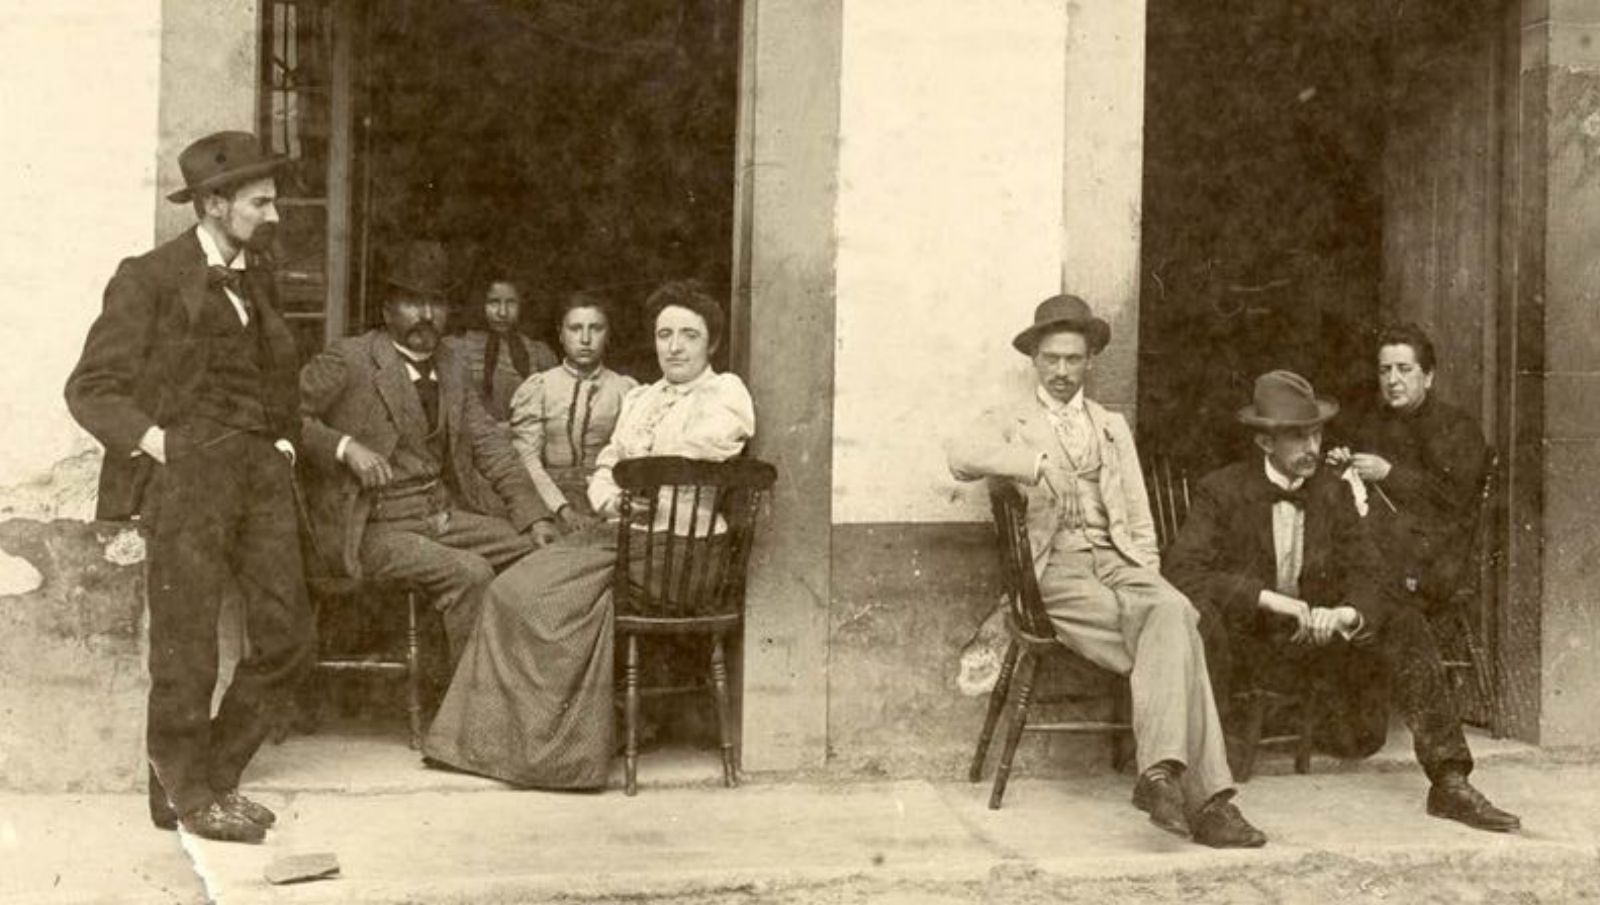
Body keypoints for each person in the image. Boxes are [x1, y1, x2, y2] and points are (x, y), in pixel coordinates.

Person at [946, 294, 1264, 848]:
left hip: (1118, 562)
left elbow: (1138, 519)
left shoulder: (1112, 426)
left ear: (1090, 359)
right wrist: (1037, 464)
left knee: (1171, 610)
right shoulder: (1012, 420)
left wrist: (1145, 576)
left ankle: (1161, 777)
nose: (1063, 372)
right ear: (1035, 361)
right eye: (1051, 360)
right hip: (1056, 572)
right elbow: (960, 453)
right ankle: (1207, 800)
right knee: (1178, 639)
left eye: (1073, 359)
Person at [64, 131, 311, 844]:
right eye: (260, 202)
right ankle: (186, 791)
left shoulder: (254, 279)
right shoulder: (147, 277)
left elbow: (276, 376)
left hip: (259, 475)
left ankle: (209, 774)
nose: (274, 215)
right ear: (212, 203)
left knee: (289, 636)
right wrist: (161, 443)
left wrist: (285, 444)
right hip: (188, 478)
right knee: (187, 645)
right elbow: (91, 388)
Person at [423, 279, 754, 789]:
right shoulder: (644, 397)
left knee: (546, 602)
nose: (675, 346)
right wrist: (612, 495)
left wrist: (640, 474)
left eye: (689, 335)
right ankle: (503, 746)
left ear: (710, 344)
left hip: (683, 552)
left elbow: (703, 450)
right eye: (665, 334)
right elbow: (607, 465)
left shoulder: (724, 393)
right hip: (626, 536)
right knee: (510, 588)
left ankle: (559, 754)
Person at [1163, 370, 1520, 833]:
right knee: (1198, 617)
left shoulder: (1332, 492)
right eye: (1297, 436)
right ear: (1264, 443)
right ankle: (1203, 789)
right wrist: (1269, 600)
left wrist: (1348, 613)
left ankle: (1450, 780)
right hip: (1244, 649)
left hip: (1318, 649)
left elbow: (1371, 571)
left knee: (1404, 619)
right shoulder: (1223, 490)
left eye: (1317, 433)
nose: (1312, 447)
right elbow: (1182, 572)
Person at [298, 241, 559, 664]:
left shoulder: (453, 363)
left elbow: (490, 445)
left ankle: (518, 690)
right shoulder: (350, 359)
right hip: (372, 528)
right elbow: (286, 416)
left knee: (543, 549)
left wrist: (536, 515)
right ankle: (465, 714)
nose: (425, 315)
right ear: (387, 310)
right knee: (470, 573)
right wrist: (345, 447)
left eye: (436, 303)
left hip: (441, 517)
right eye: (412, 303)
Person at [1327, 323, 1488, 606]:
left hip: (1435, 557)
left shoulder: (1458, 428)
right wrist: (1343, 465)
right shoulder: (1372, 423)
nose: (1392, 380)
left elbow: (1454, 501)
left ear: (1428, 377)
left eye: (1404, 369)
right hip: (1381, 548)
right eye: (1384, 370)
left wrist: (1388, 473)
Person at [508, 291, 638, 532]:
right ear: (560, 334)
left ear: (607, 334)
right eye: (575, 328)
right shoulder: (540, 387)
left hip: (604, 497)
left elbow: (629, 458)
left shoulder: (625, 390)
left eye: (596, 328)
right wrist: (562, 508)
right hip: (547, 497)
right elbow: (527, 460)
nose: (585, 339)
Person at [451, 274, 557, 423]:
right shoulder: (457, 348)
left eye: (511, 303)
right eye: (494, 302)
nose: (502, 312)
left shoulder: (539, 353)